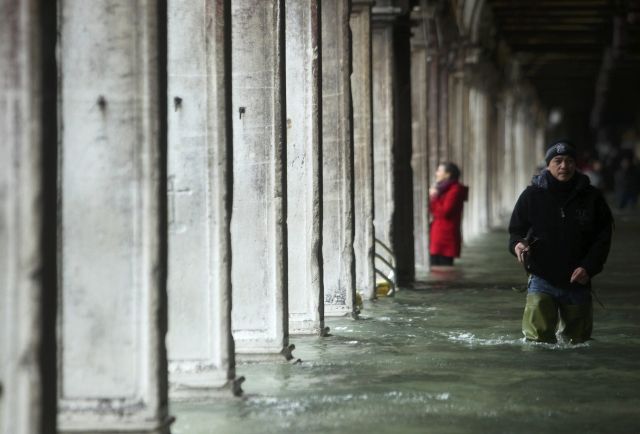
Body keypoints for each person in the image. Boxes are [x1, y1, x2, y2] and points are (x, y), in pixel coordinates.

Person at [508, 141, 613, 344]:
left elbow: (603, 239)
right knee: (536, 342)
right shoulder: (531, 195)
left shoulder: (592, 198)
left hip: (578, 281)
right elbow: (515, 231)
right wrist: (518, 245)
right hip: (541, 278)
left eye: (569, 161)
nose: (564, 166)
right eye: (558, 161)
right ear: (548, 165)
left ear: (576, 165)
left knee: (578, 344)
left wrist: (588, 268)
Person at [429, 162, 468, 267]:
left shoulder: (455, 190)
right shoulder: (442, 189)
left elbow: (445, 212)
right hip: (437, 235)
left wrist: (434, 197)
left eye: (439, 171)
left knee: (444, 272)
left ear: (447, 174)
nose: (436, 173)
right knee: (437, 271)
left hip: (446, 237)